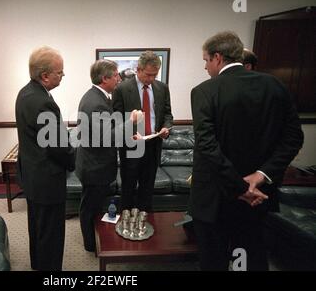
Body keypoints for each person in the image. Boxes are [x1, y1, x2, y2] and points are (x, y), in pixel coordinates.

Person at [189, 31, 304, 271]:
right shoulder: (275, 85)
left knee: (214, 261)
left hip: (215, 199)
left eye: (205, 60)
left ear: (217, 58)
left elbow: (208, 147)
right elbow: (294, 138)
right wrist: (261, 176)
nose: (205, 67)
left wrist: (240, 188)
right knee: (251, 256)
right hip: (259, 195)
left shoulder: (205, 91)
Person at [15, 46, 75, 271]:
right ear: (45, 75)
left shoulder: (25, 92)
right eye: (60, 72)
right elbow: (58, 147)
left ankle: (38, 265)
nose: (63, 75)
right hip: (47, 180)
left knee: (38, 228)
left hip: (33, 177)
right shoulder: (43, 102)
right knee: (51, 234)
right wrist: (72, 158)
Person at [75, 59, 142, 252]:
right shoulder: (96, 102)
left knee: (92, 206)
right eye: (115, 75)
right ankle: (90, 245)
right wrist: (131, 121)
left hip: (94, 164)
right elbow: (108, 137)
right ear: (104, 78)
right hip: (94, 167)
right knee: (90, 208)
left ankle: (93, 240)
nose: (119, 78)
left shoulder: (99, 96)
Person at [113, 51, 174, 212]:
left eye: (155, 75)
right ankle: (125, 224)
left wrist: (166, 127)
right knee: (128, 188)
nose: (152, 79)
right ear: (138, 69)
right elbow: (116, 120)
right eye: (148, 75)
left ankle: (144, 223)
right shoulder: (122, 89)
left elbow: (167, 113)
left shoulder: (162, 88)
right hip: (132, 146)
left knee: (147, 189)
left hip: (153, 145)